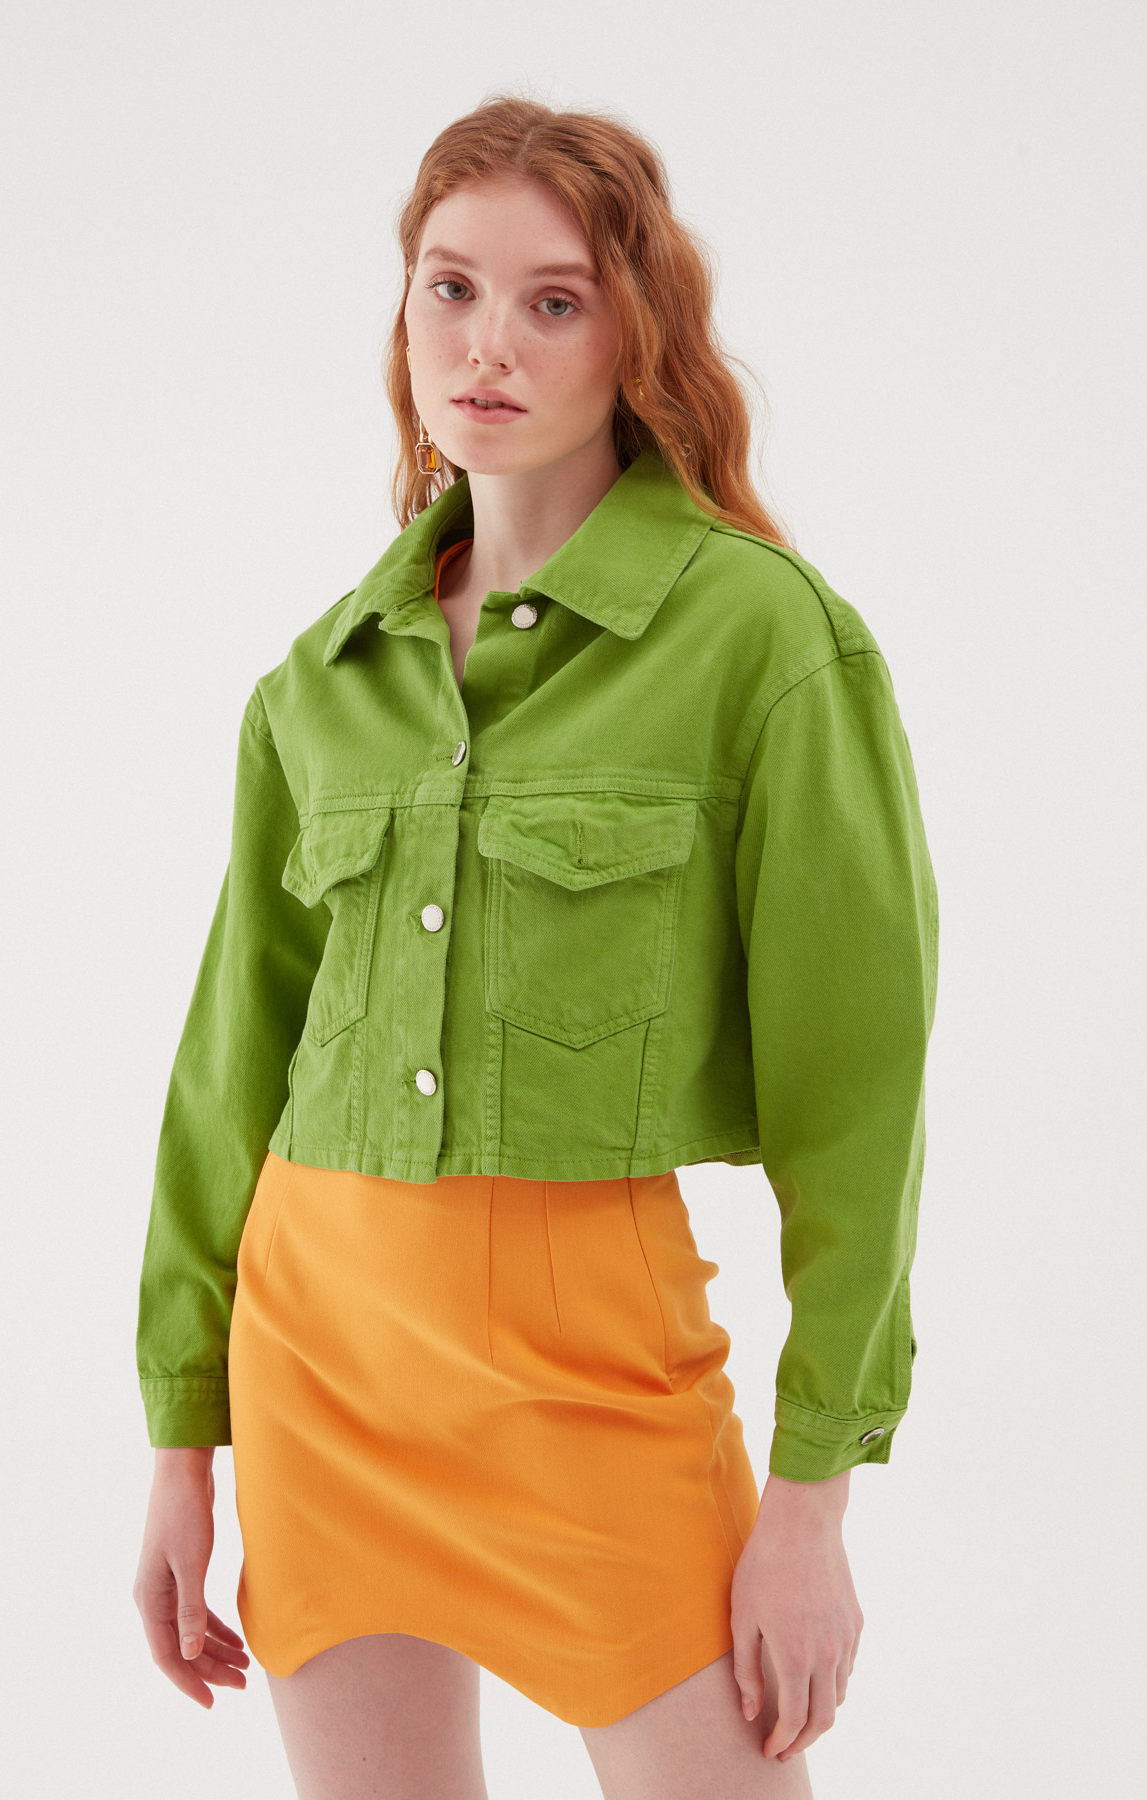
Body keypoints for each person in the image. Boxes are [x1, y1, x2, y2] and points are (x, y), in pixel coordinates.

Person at [132, 94, 937, 1800]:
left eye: (552, 300)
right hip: (317, 1365)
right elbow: (228, 1076)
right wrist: (181, 1446)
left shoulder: (766, 640)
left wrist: (812, 1500)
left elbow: (858, 1096)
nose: (486, 343)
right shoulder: (318, 682)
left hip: (596, 1378)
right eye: (451, 287)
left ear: (636, 332)